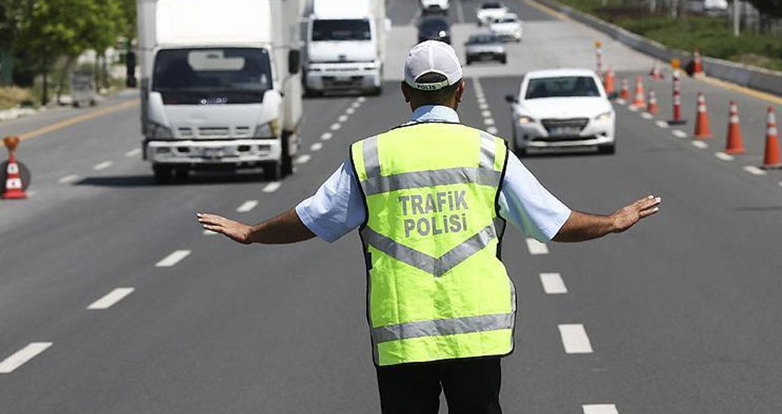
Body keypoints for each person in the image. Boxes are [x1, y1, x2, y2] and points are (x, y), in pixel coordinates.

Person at [197, 40, 661, 414]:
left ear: (405, 93)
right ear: (459, 91)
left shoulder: (371, 157)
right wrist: (613, 221)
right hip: (476, 333)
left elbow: (313, 218)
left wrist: (252, 231)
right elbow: (553, 223)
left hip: (402, 333)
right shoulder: (488, 153)